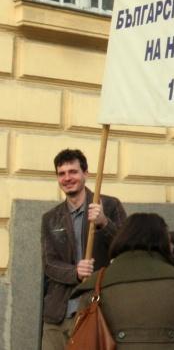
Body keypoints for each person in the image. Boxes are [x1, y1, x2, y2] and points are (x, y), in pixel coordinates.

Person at [71, 213, 174, 348]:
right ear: (162, 241)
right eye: (170, 241)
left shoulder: (98, 282)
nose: (172, 246)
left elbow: (80, 337)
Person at [41, 148, 126, 350]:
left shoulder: (110, 205)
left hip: (94, 311)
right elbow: (48, 264)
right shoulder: (51, 218)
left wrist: (104, 223)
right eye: (62, 173)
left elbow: (126, 249)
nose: (67, 178)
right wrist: (75, 272)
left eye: (73, 171)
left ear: (85, 174)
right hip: (57, 316)